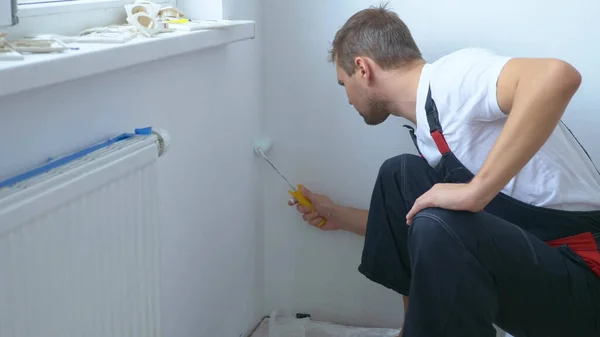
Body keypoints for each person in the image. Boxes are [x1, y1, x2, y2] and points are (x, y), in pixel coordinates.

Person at [288, 4, 600, 337]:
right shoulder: (429, 133)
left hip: (583, 281)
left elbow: (556, 77)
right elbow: (418, 225)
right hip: (534, 261)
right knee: (400, 176)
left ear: (362, 68)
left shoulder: (452, 78)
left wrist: (476, 190)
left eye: (342, 83)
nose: (347, 98)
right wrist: (338, 215)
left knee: (438, 218)